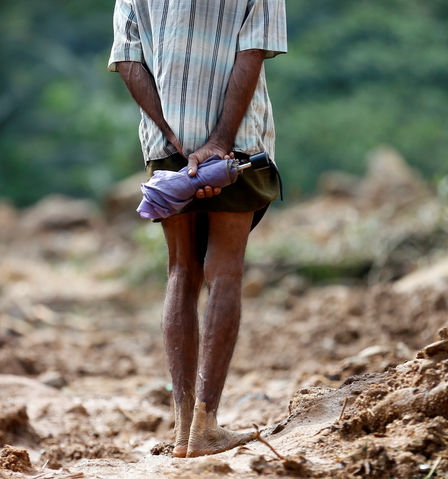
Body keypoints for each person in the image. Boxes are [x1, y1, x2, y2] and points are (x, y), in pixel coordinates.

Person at [108, 0, 286, 458]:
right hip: (236, 147)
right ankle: (205, 425)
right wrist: (218, 142)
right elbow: (252, 53)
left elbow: (128, 60)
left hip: (166, 148)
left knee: (180, 272)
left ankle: (183, 427)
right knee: (223, 271)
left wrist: (173, 136)